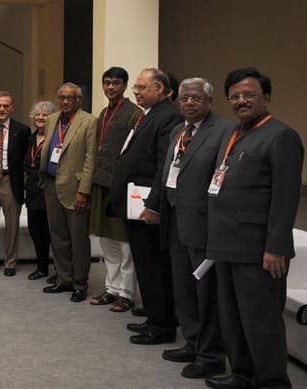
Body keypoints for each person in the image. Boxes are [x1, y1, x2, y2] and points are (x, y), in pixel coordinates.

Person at [204, 67, 302, 389]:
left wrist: (275, 247)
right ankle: (242, 376)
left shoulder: (281, 136)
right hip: (226, 246)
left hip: (259, 251)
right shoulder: (234, 134)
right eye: (234, 96)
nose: (241, 101)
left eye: (249, 94)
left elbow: (286, 198)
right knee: (233, 320)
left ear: (267, 98)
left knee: (261, 323)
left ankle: (272, 382)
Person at [159, 77, 232, 379]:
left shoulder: (224, 131)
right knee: (184, 290)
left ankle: (211, 355)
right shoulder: (179, 130)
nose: (189, 103)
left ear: (209, 102)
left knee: (207, 295)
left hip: (204, 226)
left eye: (196, 98)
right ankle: (192, 343)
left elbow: (222, 183)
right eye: (185, 98)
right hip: (176, 221)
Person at [111, 68, 182, 344]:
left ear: (162, 89)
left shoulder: (168, 117)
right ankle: (155, 314)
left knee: (155, 265)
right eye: (136, 88)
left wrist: (154, 205)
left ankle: (163, 325)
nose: (136, 91)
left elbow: (164, 166)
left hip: (148, 208)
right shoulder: (149, 114)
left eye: (142, 87)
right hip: (135, 204)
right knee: (145, 263)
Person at [88, 67, 143, 312]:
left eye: (116, 83)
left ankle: (127, 293)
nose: (111, 87)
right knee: (106, 240)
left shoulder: (134, 114)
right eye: (107, 83)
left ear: (124, 86)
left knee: (124, 244)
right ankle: (111, 288)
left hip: (121, 186)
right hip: (101, 183)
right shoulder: (103, 112)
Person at [38, 83, 97, 303]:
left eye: (69, 98)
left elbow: (91, 158)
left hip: (76, 189)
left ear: (79, 101)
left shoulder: (89, 121)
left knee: (78, 239)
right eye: (61, 97)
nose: (64, 102)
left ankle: (80, 283)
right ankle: (64, 279)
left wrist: (84, 191)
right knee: (58, 236)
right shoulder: (52, 119)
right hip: (52, 185)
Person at [0, 91, 29, 277]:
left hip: (11, 180)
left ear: (12, 108)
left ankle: (10, 262)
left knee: (12, 225)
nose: (2, 109)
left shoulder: (22, 130)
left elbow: (26, 157)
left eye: (6, 106)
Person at [24, 101, 57, 280]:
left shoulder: (55, 139)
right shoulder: (30, 138)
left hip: (50, 191)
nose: (40, 117)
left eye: (45, 114)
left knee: (54, 233)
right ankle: (42, 267)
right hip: (32, 192)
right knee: (36, 232)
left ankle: (60, 271)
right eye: (38, 114)